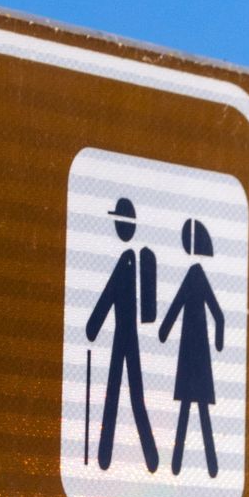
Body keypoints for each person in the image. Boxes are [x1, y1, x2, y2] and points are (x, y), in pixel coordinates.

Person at [83, 196, 160, 472]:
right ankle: (143, 457)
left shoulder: (128, 260)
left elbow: (108, 297)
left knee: (118, 394)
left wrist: (92, 326)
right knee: (127, 395)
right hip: (128, 338)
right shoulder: (141, 258)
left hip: (123, 337)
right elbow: (147, 311)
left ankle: (111, 456)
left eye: (118, 221)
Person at [157, 217, 227, 479]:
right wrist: (164, 331)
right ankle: (192, 466)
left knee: (194, 409)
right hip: (194, 355)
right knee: (194, 410)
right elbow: (215, 315)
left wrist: (164, 331)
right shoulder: (196, 276)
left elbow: (217, 314)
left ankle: (196, 465)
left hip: (193, 355)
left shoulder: (195, 276)